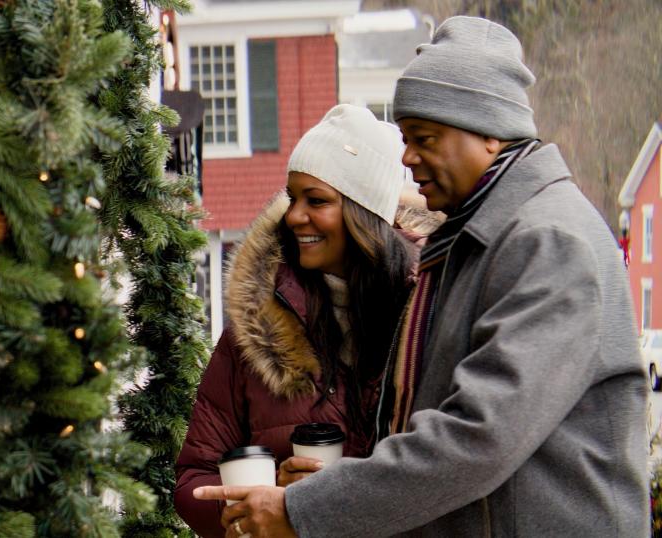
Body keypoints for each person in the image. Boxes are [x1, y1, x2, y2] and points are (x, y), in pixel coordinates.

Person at [194, 16, 648, 537]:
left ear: (491, 137)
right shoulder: (474, 241)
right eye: (407, 139)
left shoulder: (547, 241)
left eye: (425, 139)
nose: (408, 159)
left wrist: (304, 511)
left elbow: (477, 439)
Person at [173, 104, 439, 537]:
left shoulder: (429, 315)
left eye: (316, 201)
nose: (294, 215)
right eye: (293, 197)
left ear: (364, 213)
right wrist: (273, 502)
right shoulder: (256, 328)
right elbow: (194, 478)